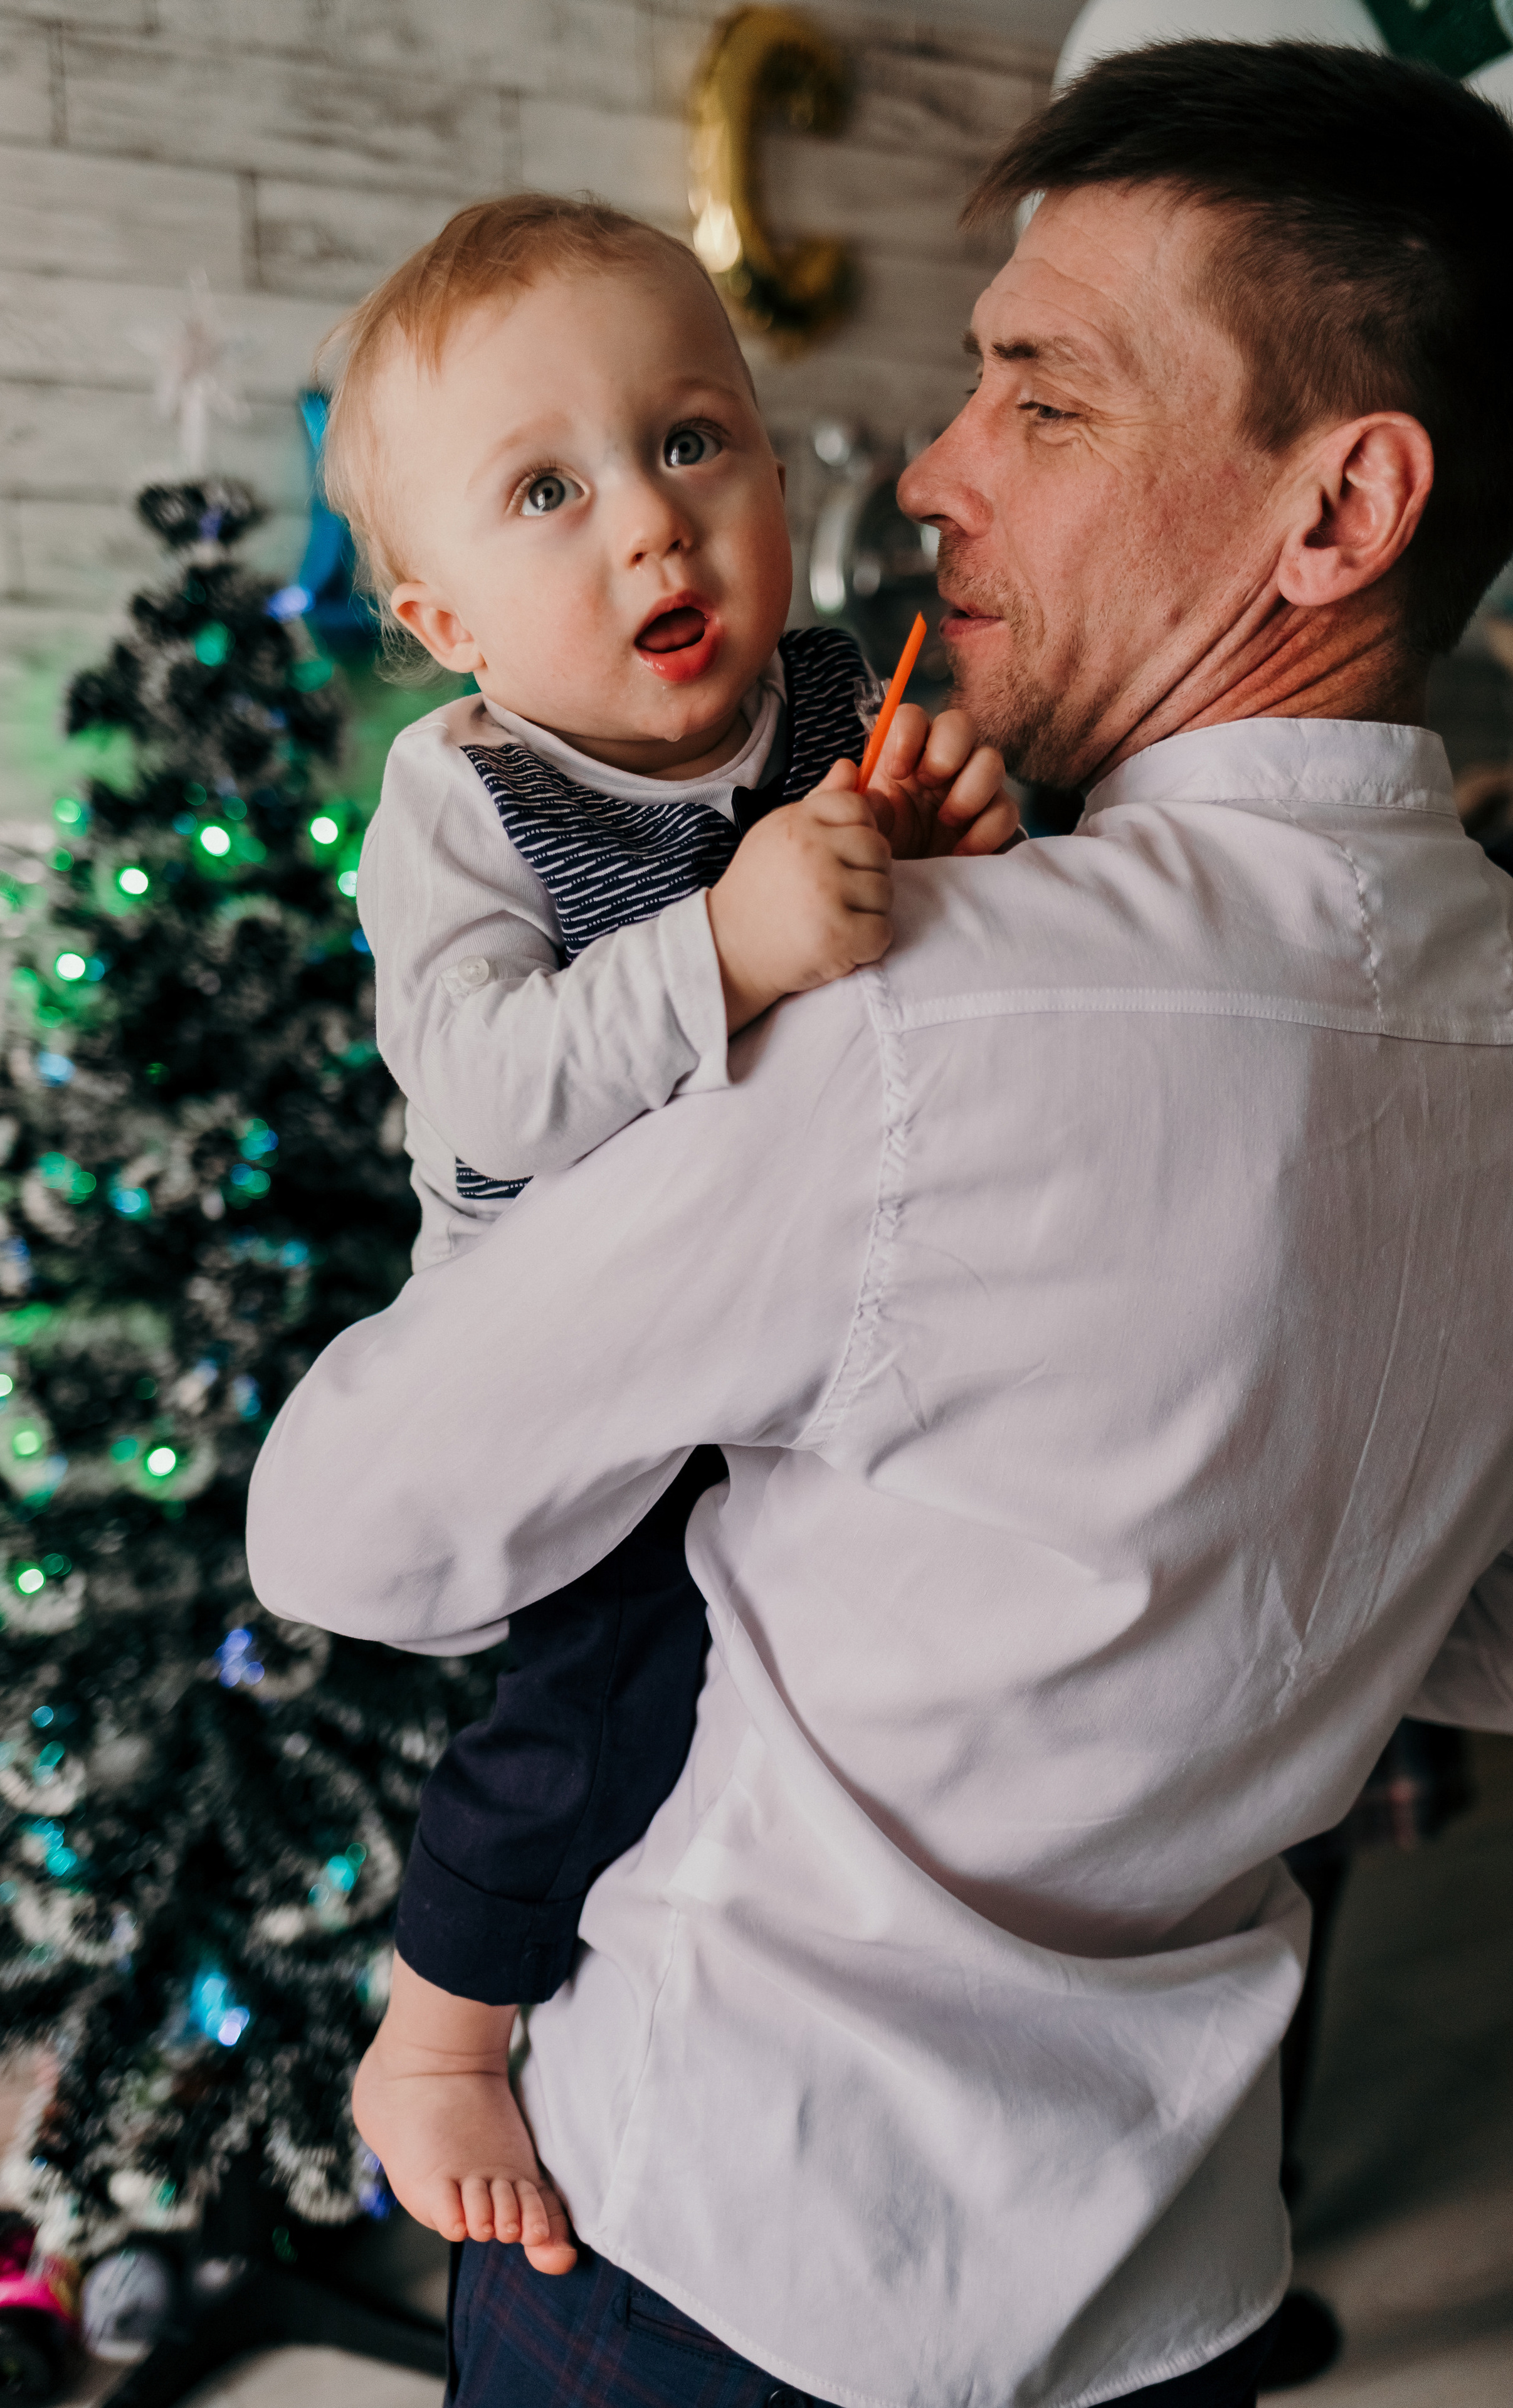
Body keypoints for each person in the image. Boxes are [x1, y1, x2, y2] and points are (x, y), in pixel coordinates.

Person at [248, 41, 1513, 2408]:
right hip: (1177, 2269)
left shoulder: (936, 1009)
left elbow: (343, 1537)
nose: (926, 468)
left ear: (1340, 507)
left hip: (726, 2241)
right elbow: (1475, 1634)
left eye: (1038, 396)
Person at [314, 192, 1016, 2274]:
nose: (648, 523)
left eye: (692, 440)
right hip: (584, 1368)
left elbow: (940, 982)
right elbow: (483, 1086)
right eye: (547, 490)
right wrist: (724, 943)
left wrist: (957, 833)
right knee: (601, 1693)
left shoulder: (824, 702)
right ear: (443, 619)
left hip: (822, 1330)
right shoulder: (467, 797)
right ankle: (439, 2036)